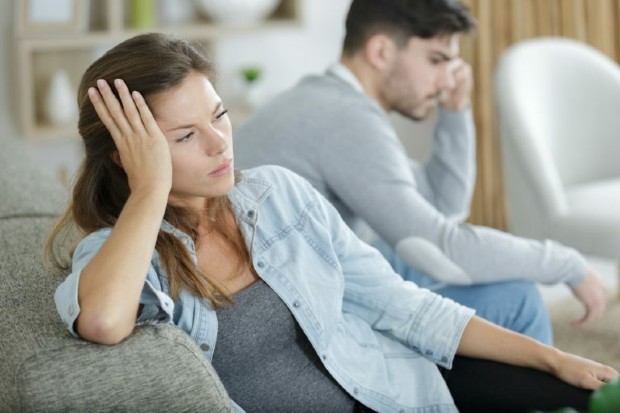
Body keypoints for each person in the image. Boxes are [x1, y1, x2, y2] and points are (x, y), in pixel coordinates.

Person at [47, 32, 617, 413]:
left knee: (585, 389)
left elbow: (401, 304)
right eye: (185, 137)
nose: (222, 143)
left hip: (392, 392)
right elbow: (100, 321)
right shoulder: (118, 253)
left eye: (218, 115)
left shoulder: (278, 193)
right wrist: (151, 191)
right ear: (131, 154)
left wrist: (555, 356)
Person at [234, 0, 609, 345]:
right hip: (291, 312)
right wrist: (567, 263)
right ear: (381, 51)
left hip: (301, 283)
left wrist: (455, 110)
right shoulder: (345, 118)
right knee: (516, 299)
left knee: (425, 259)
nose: (448, 79)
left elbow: (443, 208)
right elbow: (440, 250)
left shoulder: (327, 101)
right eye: (436, 60)